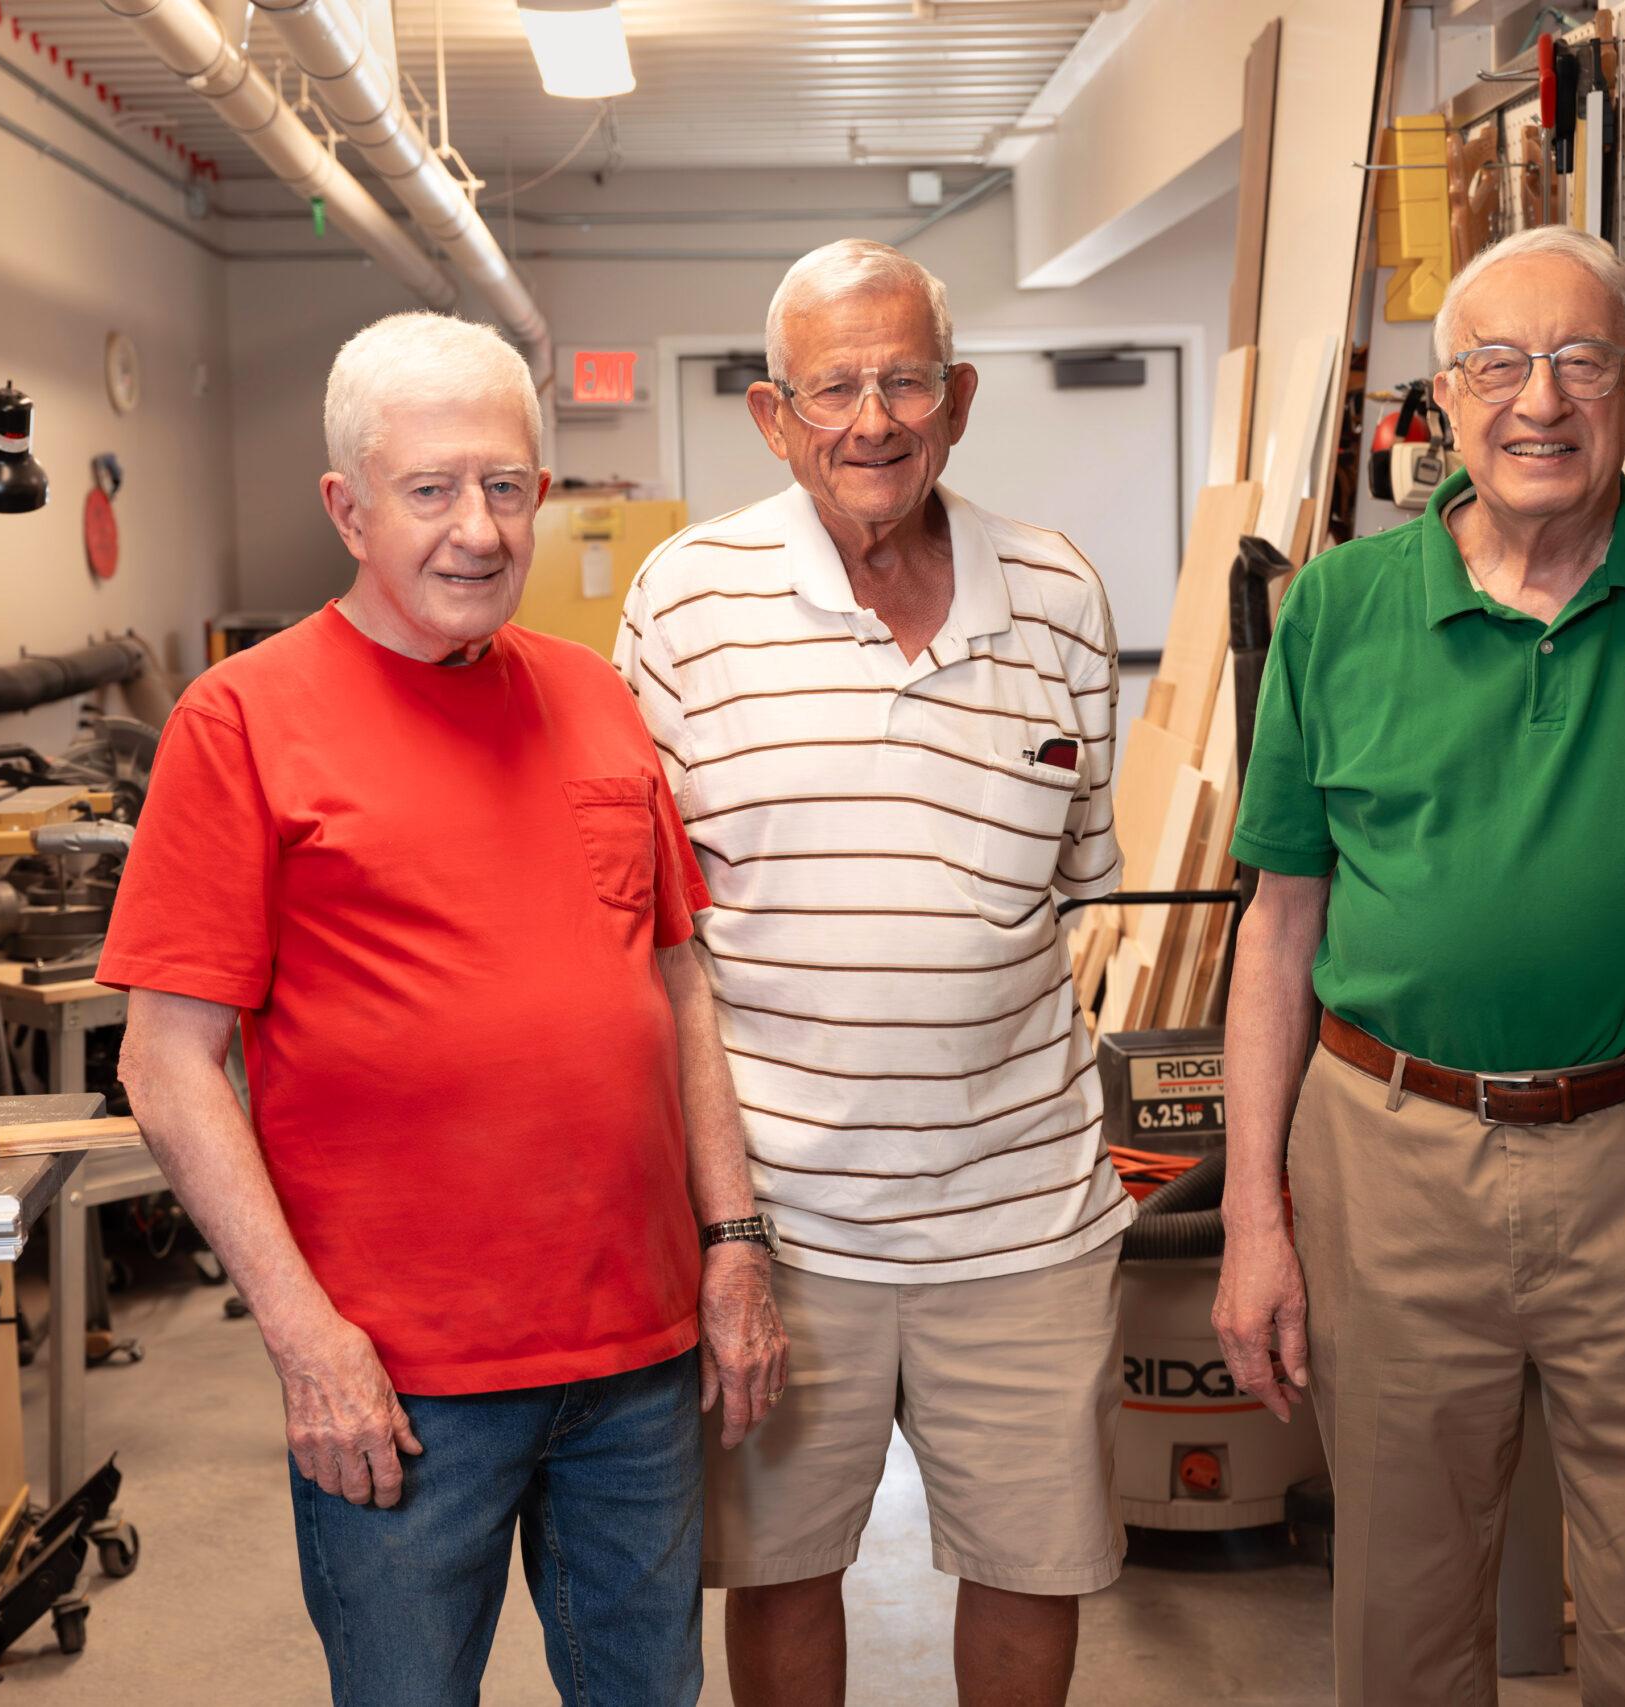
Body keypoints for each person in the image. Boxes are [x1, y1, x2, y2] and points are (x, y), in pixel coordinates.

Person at [1212, 224, 1625, 1707]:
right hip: (1389, 1160)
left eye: (1580, 363)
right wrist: (1257, 1213)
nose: (1540, 402)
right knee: (1406, 1609)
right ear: (1443, 402)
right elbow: (1281, 927)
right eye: (1498, 364)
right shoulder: (1341, 607)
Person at [103, 311, 787, 1707]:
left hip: (636, 1363)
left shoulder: (597, 700)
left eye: (507, 486)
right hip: (400, 1381)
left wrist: (732, 1245)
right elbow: (169, 1068)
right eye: (431, 491)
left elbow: (676, 983)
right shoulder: (240, 724)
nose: (477, 530)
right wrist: (306, 1341)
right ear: (347, 507)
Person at [615, 239, 1130, 1707]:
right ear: (774, 416)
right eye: (832, 387)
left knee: (1036, 1570)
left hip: (1024, 1212)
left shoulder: (1058, 591)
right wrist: (726, 1231)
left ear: (959, 398)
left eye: (905, 380)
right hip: (783, 1222)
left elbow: (1076, 885)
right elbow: (660, 928)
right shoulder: (685, 600)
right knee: (780, 1573)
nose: (872, 420)